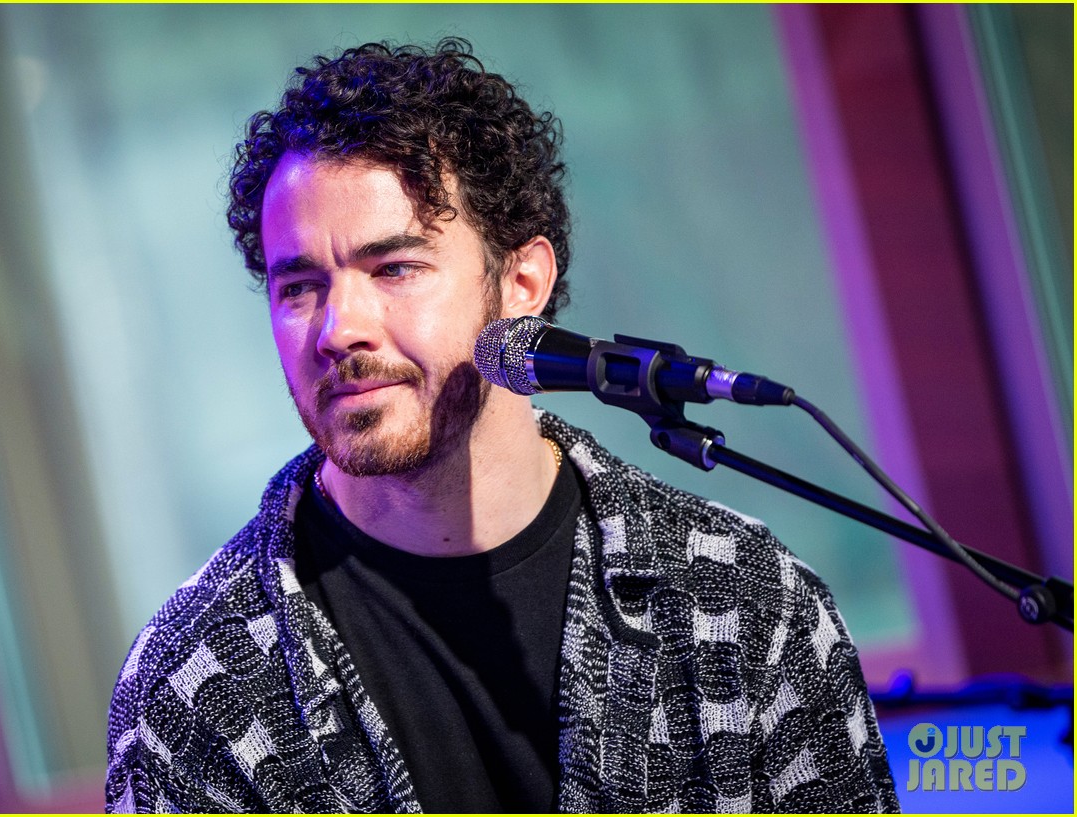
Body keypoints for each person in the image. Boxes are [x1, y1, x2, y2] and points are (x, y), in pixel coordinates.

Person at [105, 38, 899, 813]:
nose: (338, 327)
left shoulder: (741, 599)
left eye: (395, 268)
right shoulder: (198, 684)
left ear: (522, 281)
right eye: (301, 286)